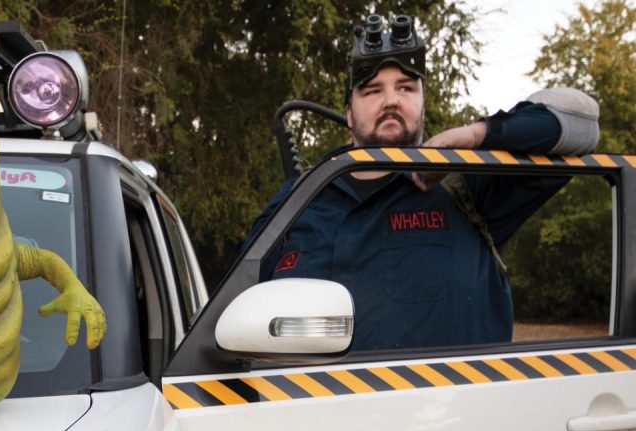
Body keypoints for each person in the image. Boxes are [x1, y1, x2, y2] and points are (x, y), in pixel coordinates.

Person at [245, 14, 600, 351]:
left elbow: (580, 119)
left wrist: (473, 135)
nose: (391, 100)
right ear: (349, 113)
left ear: (423, 102)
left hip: (445, 413)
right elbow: (235, 309)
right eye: (371, 91)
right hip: (306, 411)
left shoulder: (467, 186)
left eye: (406, 87)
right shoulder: (297, 200)